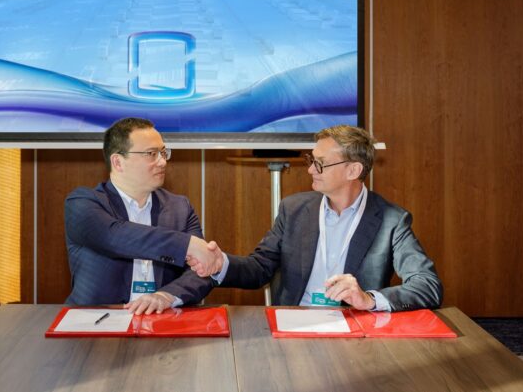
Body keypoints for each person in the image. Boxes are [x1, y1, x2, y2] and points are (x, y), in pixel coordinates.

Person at [191, 125, 443, 311]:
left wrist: (369, 299)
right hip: (294, 327)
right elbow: (259, 268)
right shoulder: (293, 209)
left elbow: (427, 285)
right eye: (311, 160)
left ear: (353, 170)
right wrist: (221, 264)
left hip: (355, 333)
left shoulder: (391, 220)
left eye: (320, 163)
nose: (311, 169)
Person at [64, 117, 221, 314]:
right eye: (151, 154)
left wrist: (167, 296)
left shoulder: (179, 208)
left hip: (160, 320)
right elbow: (116, 236)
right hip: (97, 321)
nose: (162, 161)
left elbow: (201, 271)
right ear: (118, 162)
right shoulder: (83, 203)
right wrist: (187, 245)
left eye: (163, 152)